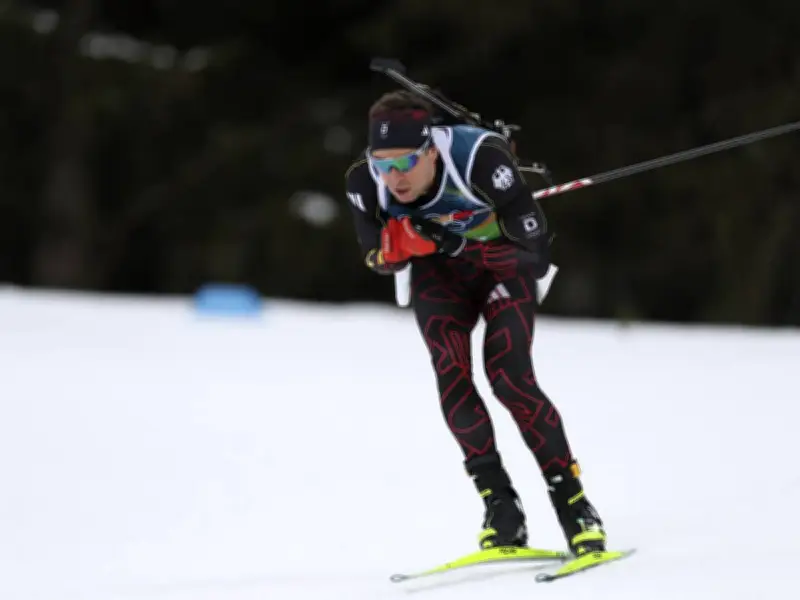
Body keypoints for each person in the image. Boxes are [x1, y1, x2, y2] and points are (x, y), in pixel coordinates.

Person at [343, 89, 607, 556]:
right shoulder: (366, 182)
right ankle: (501, 509)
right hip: (438, 276)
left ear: (429, 149)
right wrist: (397, 246)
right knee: (451, 370)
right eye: (383, 165)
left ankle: (574, 504)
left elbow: (534, 250)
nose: (395, 178)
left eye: (404, 163)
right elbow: (374, 256)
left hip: (504, 269)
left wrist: (457, 242)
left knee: (508, 377)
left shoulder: (480, 159)